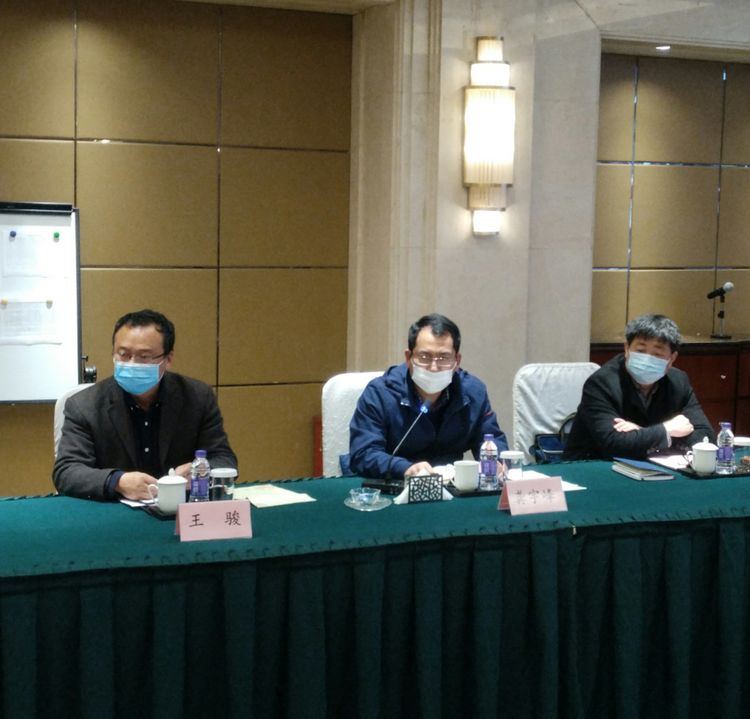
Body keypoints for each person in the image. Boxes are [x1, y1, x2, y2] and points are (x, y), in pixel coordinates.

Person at [53, 309, 237, 501]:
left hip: (180, 507)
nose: (132, 363)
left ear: (168, 359)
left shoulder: (197, 397)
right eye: (123, 354)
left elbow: (224, 459)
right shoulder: (84, 405)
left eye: (144, 356)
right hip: (114, 509)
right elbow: (67, 472)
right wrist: (117, 481)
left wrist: (201, 471)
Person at [347, 313, 508, 479]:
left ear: (457, 361)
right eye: (424, 357)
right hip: (394, 483)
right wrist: (404, 468)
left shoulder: (473, 392)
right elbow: (363, 454)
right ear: (408, 358)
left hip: (450, 486)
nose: (434, 367)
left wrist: (498, 463)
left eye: (444, 358)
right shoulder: (380, 393)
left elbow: (491, 439)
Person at [563, 313, 715, 461]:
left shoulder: (678, 382)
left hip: (650, 466)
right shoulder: (601, 383)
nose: (647, 359)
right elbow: (613, 443)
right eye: (641, 351)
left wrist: (642, 433)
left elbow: (706, 437)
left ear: (671, 358)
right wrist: (666, 430)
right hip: (591, 465)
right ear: (626, 349)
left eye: (657, 354)